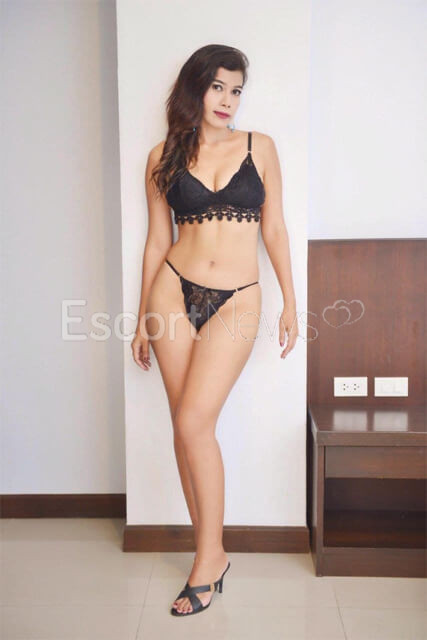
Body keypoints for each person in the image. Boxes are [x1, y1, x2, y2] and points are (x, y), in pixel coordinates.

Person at [131, 44, 298, 617]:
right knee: (185, 428)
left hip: (238, 297)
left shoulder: (260, 147)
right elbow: (158, 239)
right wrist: (140, 319)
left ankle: (209, 558)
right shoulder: (161, 156)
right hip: (171, 292)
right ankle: (211, 553)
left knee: (193, 422)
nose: (228, 100)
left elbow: (274, 229)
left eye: (236, 90)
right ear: (196, 88)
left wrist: (291, 302)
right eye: (218, 87)